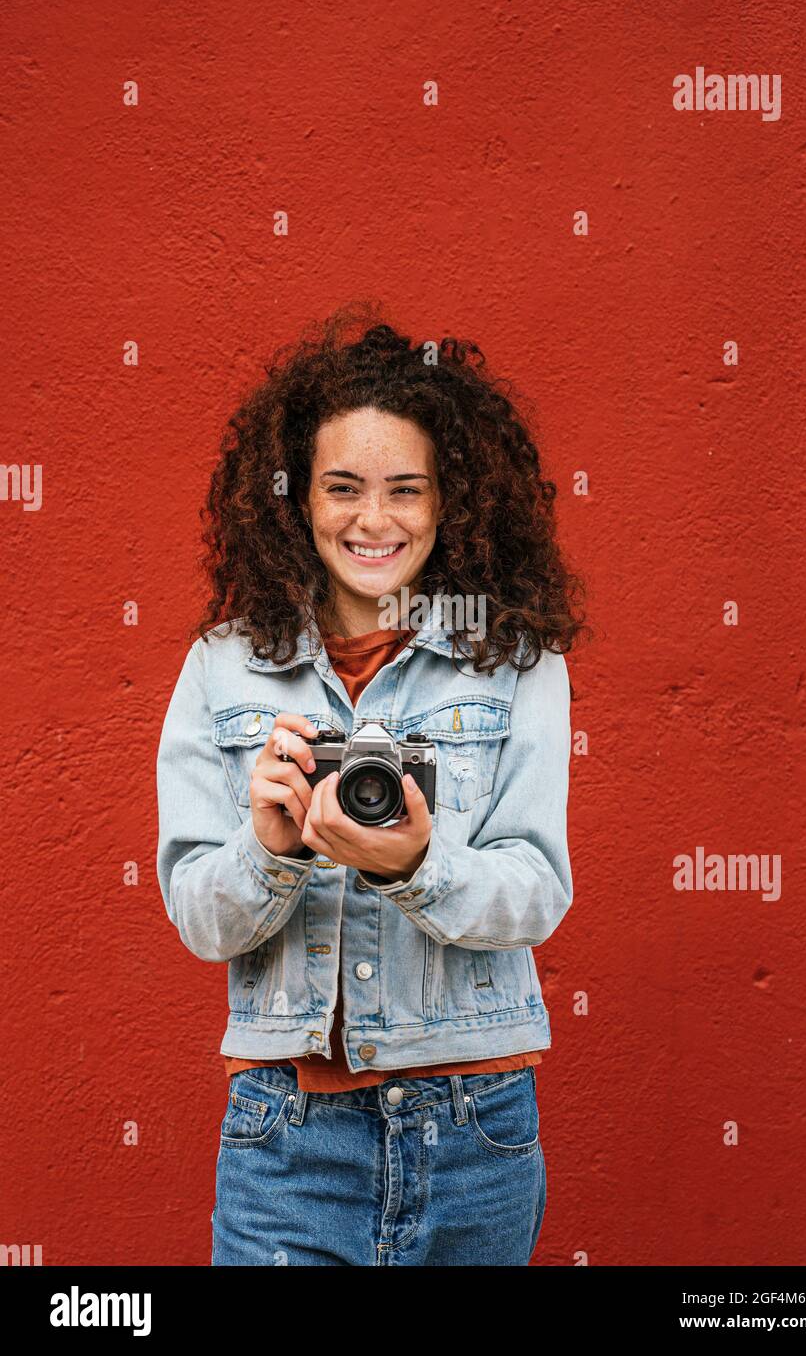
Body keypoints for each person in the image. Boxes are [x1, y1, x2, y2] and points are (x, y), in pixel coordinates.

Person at [156, 305, 588, 1266]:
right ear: (295, 500)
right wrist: (266, 851)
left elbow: (536, 893)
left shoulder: (514, 661)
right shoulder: (222, 667)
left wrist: (418, 869)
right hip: (288, 1134)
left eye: (407, 490)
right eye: (342, 488)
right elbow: (198, 917)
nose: (374, 520)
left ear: (450, 503)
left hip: (475, 1125)